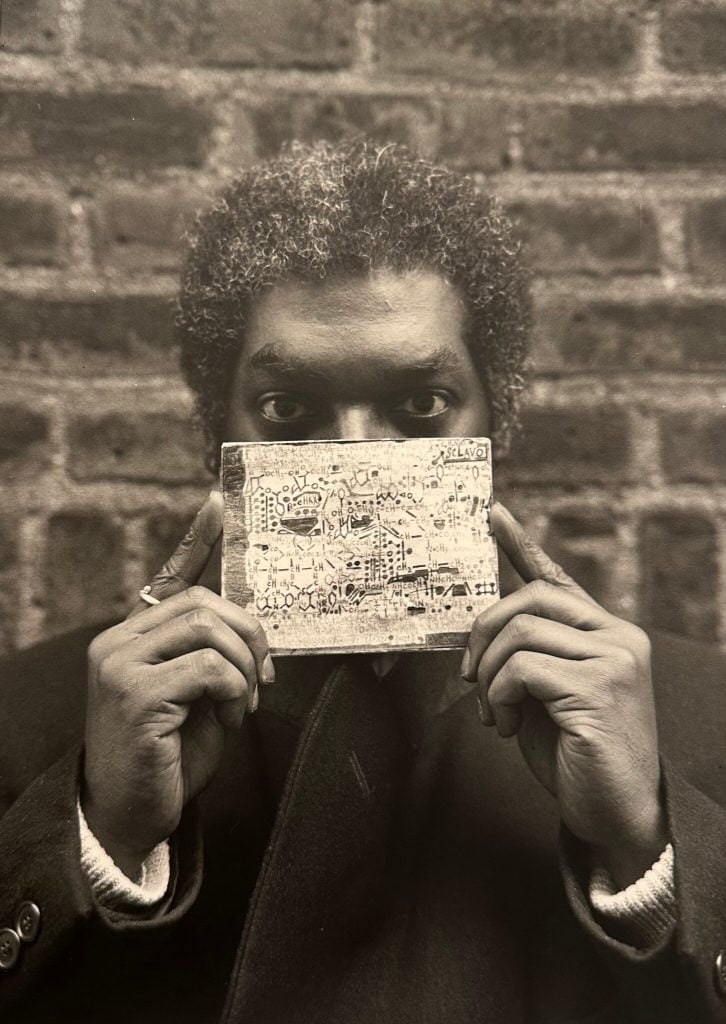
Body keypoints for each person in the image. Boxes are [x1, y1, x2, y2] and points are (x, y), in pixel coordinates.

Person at [0, 140, 723, 1024]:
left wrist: (649, 849)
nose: (354, 460)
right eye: (287, 411)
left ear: (497, 426)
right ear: (213, 438)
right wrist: (97, 841)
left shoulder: (699, 721)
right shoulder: (32, 726)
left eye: (419, 406)